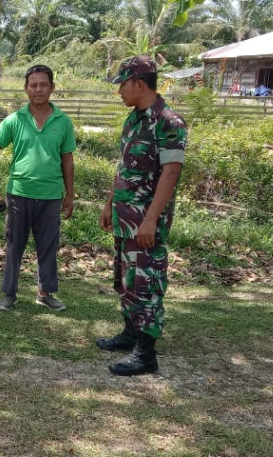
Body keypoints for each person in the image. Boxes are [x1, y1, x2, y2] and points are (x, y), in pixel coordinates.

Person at [98, 55, 187, 376]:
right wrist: (109, 203)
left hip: (146, 221)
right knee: (125, 279)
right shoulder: (133, 120)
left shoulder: (168, 121)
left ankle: (145, 353)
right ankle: (130, 332)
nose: (119, 91)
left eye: (122, 84)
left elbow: (171, 172)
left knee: (146, 281)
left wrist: (150, 219)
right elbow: (123, 166)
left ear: (139, 83)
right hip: (125, 217)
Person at [0, 64, 76, 312]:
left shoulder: (63, 122)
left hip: (50, 196)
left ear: (52, 88)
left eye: (43, 84)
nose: (38, 89)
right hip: (19, 194)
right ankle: (9, 294)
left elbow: (67, 160)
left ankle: (46, 293)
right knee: (14, 245)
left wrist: (69, 195)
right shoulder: (15, 120)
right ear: (26, 89)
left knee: (47, 246)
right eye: (33, 84)